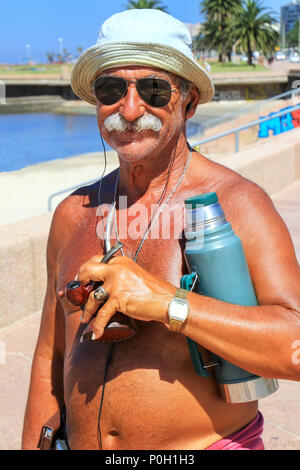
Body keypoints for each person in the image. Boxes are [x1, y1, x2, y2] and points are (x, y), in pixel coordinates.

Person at [22, 9, 300, 451]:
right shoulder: (74, 213)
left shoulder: (237, 203)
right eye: (112, 89)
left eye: (154, 89)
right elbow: (48, 361)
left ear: (188, 101)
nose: (130, 110)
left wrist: (168, 303)